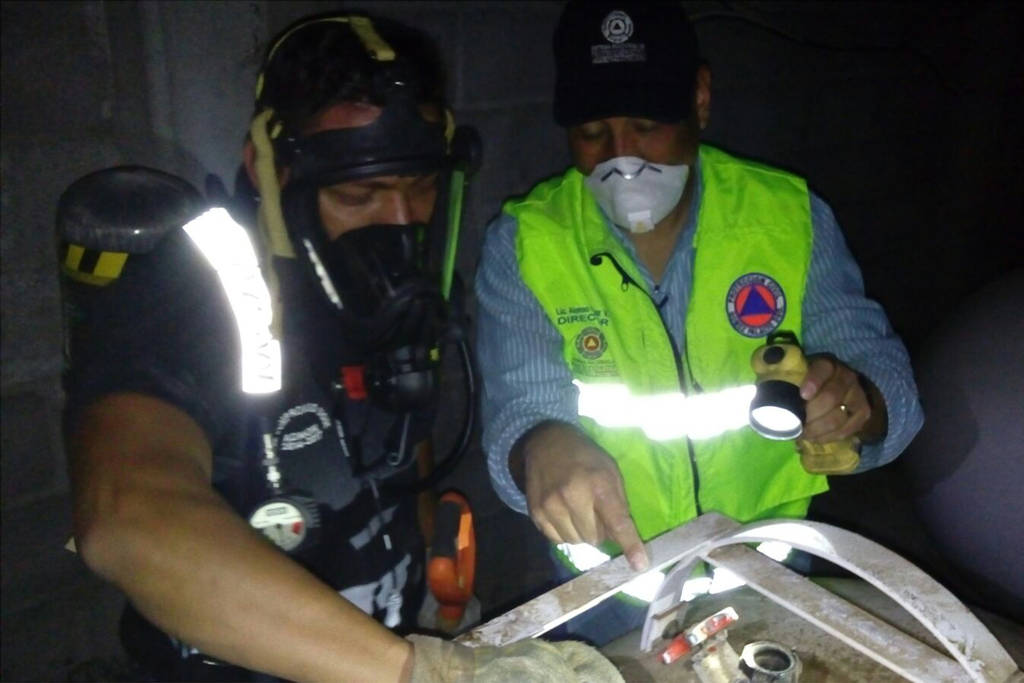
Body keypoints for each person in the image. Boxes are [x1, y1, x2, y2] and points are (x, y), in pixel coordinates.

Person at [61, 12, 622, 683]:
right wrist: (422, 671)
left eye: (422, 188)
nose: (400, 223)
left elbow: (404, 437)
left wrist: (438, 600)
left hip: (390, 644)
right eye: (359, 194)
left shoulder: (406, 281)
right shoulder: (187, 293)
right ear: (270, 171)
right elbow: (127, 516)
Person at [476, 0, 924, 644]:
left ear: (701, 99)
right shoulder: (526, 243)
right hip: (604, 593)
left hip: (767, 580)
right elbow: (519, 412)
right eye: (593, 133)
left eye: (647, 125)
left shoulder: (788, 218)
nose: (622, 158)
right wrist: (539, 445)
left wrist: (859, 405)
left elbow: (891, 389)